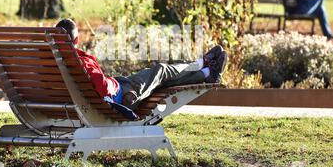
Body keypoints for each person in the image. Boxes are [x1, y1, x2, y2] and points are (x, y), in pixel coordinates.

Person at [55, 19, 227, 115]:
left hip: (99, 96)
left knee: (159, 79)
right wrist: (113, 87)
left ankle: (204, 72)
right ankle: (201, 66)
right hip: (118, 98)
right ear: (76, 40)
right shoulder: (78, 61)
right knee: (160, 71)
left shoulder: (49, 61)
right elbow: (101, 87)